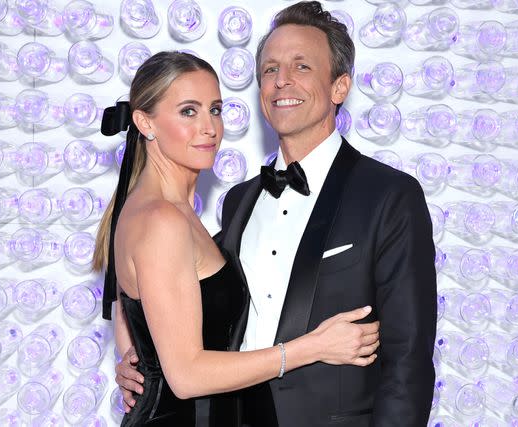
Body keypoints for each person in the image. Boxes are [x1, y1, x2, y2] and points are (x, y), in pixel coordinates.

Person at [115, 1, 437, 425]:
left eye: (301, 67)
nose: (281, 80)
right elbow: (152, 288)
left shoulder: (389, 196)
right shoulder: (238, 202)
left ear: (340, 87)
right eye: (269, 69)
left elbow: (408, 365)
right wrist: (140, 359)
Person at [92, 51, 382, 427]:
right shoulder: (161, 219)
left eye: (214, 109)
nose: (209, 127)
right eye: (188, 111)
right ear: (145, 122)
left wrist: (136, 358)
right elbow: (186, 376)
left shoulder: (163, 211)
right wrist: (312, 347)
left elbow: (134, 309)